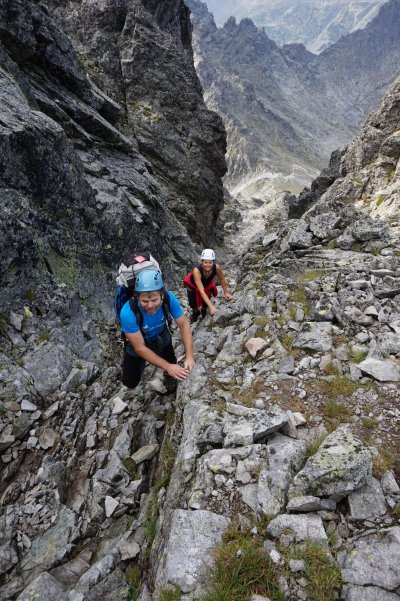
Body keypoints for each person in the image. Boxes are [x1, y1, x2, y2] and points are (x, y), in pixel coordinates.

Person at [120, 269, 195, 392]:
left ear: (162, 294)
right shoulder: (128, 312)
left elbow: (184, 325)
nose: (150, 305)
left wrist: (189, 356)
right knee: (130, 382)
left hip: (160, 335)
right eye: (144, 301)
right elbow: (139, 348)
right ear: (137, 296)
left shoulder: (169, 298)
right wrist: (167, 366)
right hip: (138, 341)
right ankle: (142, 362)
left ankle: (169, 377)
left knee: (172, 361)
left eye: (154, 300)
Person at [183, 249, 233, 323]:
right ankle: (196, 312)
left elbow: (222, 279)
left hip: (206, 284)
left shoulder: (217, 268)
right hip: (193, 286)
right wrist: (211, 306)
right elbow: (201, 291)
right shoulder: (196, 271)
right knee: (192, 302)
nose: (208, 265)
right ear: (202, 262)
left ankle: (204, 310)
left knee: (206, 300)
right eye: (205, 262)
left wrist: (226, 292)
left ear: (213, 262)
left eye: (210, 262)